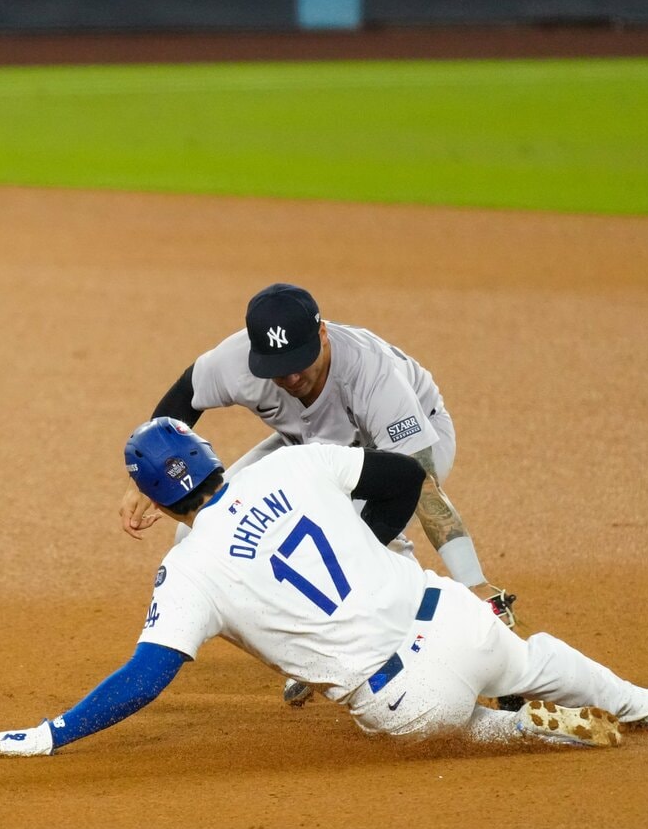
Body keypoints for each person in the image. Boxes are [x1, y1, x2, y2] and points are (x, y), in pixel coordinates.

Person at [0, 418, 648, 758]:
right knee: (535, 657)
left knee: (445, 720)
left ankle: (517, 728)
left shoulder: (190, 568)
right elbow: (404, 478)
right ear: (208, 456)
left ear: (160, 503)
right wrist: (371, 538)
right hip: (455, 618)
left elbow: (147, 674)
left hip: (407, 701)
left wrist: (55, 733)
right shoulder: (287, 468)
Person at [117, 283, 516, 708]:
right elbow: (185, 394)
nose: (289, 377)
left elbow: (420, 487)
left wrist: (472, 580)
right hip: (307, 446)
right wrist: (142, 479)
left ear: (322, 333)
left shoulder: (373, 376)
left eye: (298, 362)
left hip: (407, 448)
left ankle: (480, 652)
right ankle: (317, 653)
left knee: (358, 547)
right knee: (198, 533)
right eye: (276, 366)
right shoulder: (236, 362)